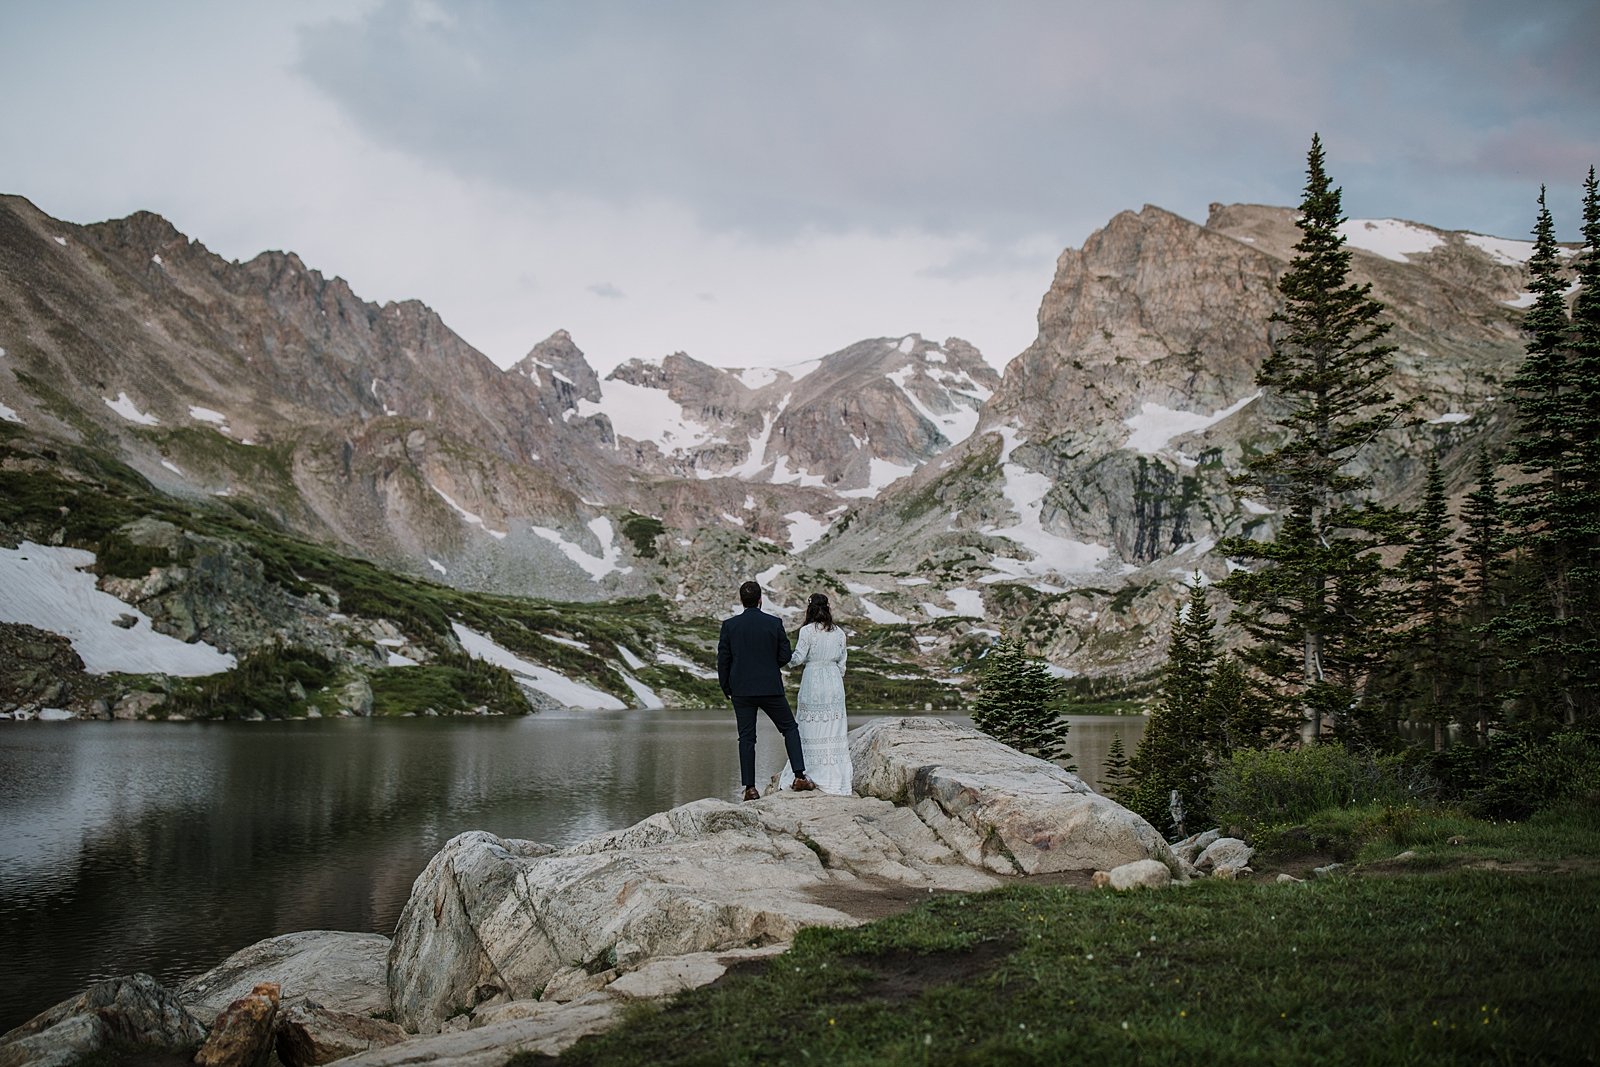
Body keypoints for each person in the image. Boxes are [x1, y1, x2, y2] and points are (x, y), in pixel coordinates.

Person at [717, 580, 816, 800]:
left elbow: (723, 661)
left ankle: (750, 789)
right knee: (789, 728)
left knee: (746, 738)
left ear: (742, 601)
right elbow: (785, 656)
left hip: (741, 691)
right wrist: (768, 667)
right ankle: (800, 776)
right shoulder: (774, 623)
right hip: (770, 687)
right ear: (761, 600)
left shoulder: (729, 626)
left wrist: (727, 687)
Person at [777, 592, 853, 795]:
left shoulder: (807, 631)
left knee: (808, 726)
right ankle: (833, 775)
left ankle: (807, 770)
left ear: (809, 609)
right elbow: (842, 663)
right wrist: (834, 675)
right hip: (834, 681)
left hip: (813, 681)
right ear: (828, 608)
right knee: (833, 728)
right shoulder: (839, 633)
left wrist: (781, 657)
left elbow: (797, 659)